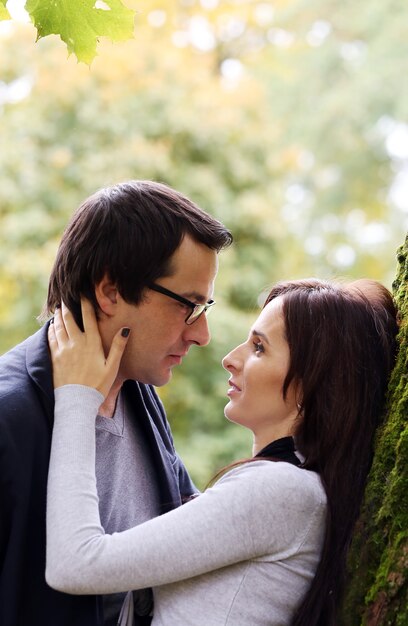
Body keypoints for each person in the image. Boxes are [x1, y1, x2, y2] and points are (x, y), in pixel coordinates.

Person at [45, 278, 399, 626]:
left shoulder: (279, 491)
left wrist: (77, 396)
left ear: (314, 384)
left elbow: (76, 564)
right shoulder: (291, 490)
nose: (231, 359)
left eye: (259, 348)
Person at [0, 180, 232, 626]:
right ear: (110, 291)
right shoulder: (10, 418)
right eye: (189, 305)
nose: (201, 334)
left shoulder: (140, 394)